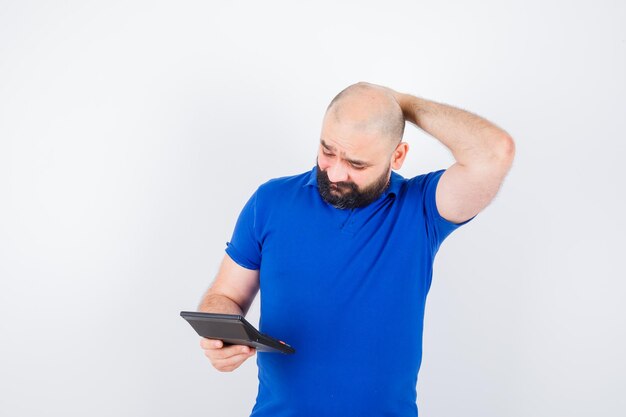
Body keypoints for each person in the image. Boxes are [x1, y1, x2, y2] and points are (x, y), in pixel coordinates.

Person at [197, 81, 515, 416]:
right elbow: (225, 294)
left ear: (398, 155)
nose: (334, 172)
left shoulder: (422, 209)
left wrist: (401, 103)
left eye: (356, 164)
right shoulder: (270, 201)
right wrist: (222, 333)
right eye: (327, 151)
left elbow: (494, 153)